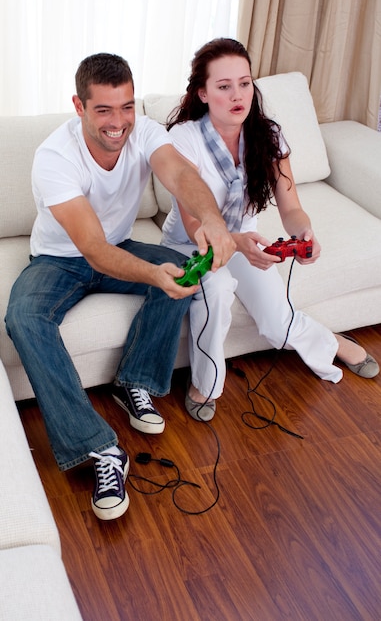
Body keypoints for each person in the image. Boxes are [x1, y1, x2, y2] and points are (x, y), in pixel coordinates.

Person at [5, 53, 235, 521]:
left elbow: (181, 175)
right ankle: (101, 450)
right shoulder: (54, 156)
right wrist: (152, 275)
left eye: (126, 107)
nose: (119, 122)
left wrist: (212, 219)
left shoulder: (145, 131)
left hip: (118, 246)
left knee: (186, 269)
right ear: (79, 106)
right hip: (61, 259)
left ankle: (134, 381)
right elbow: (90, 248)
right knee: (22, 318)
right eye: (104, 110)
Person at [161, 38, 379, 421]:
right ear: (203, 92)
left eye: (244, 83)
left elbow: (291, 207)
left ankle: (334, 343)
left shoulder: (268, 135)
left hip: (246, 237)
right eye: (224, 86)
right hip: (189, 244)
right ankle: (205, 385)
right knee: (217, 287)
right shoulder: (184, 139)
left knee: (278, 324)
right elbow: (194, 221)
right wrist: (234, 243)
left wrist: (304, 234)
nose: (237, 95)